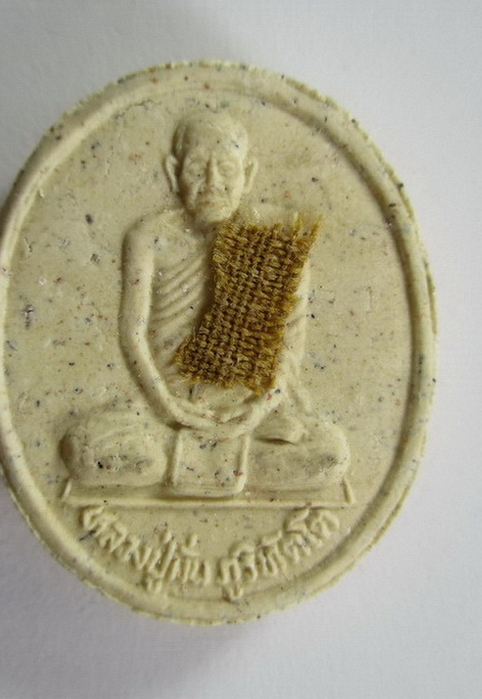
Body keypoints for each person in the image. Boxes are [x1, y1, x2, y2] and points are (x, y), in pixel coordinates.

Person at [62, 111, 349, 496]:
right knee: (85, 450)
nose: (212, 183)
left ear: (248, 173)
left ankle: (183, 459)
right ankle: (192, 455)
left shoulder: (276, 238)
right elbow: (132, 335)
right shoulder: (149, 237)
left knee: (329, 454)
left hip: (249, 410)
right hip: (161, 405)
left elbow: (289, 348)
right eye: (197, 169)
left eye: (226, 170)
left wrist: (261, 406)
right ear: (173, 172)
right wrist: (167, 405)